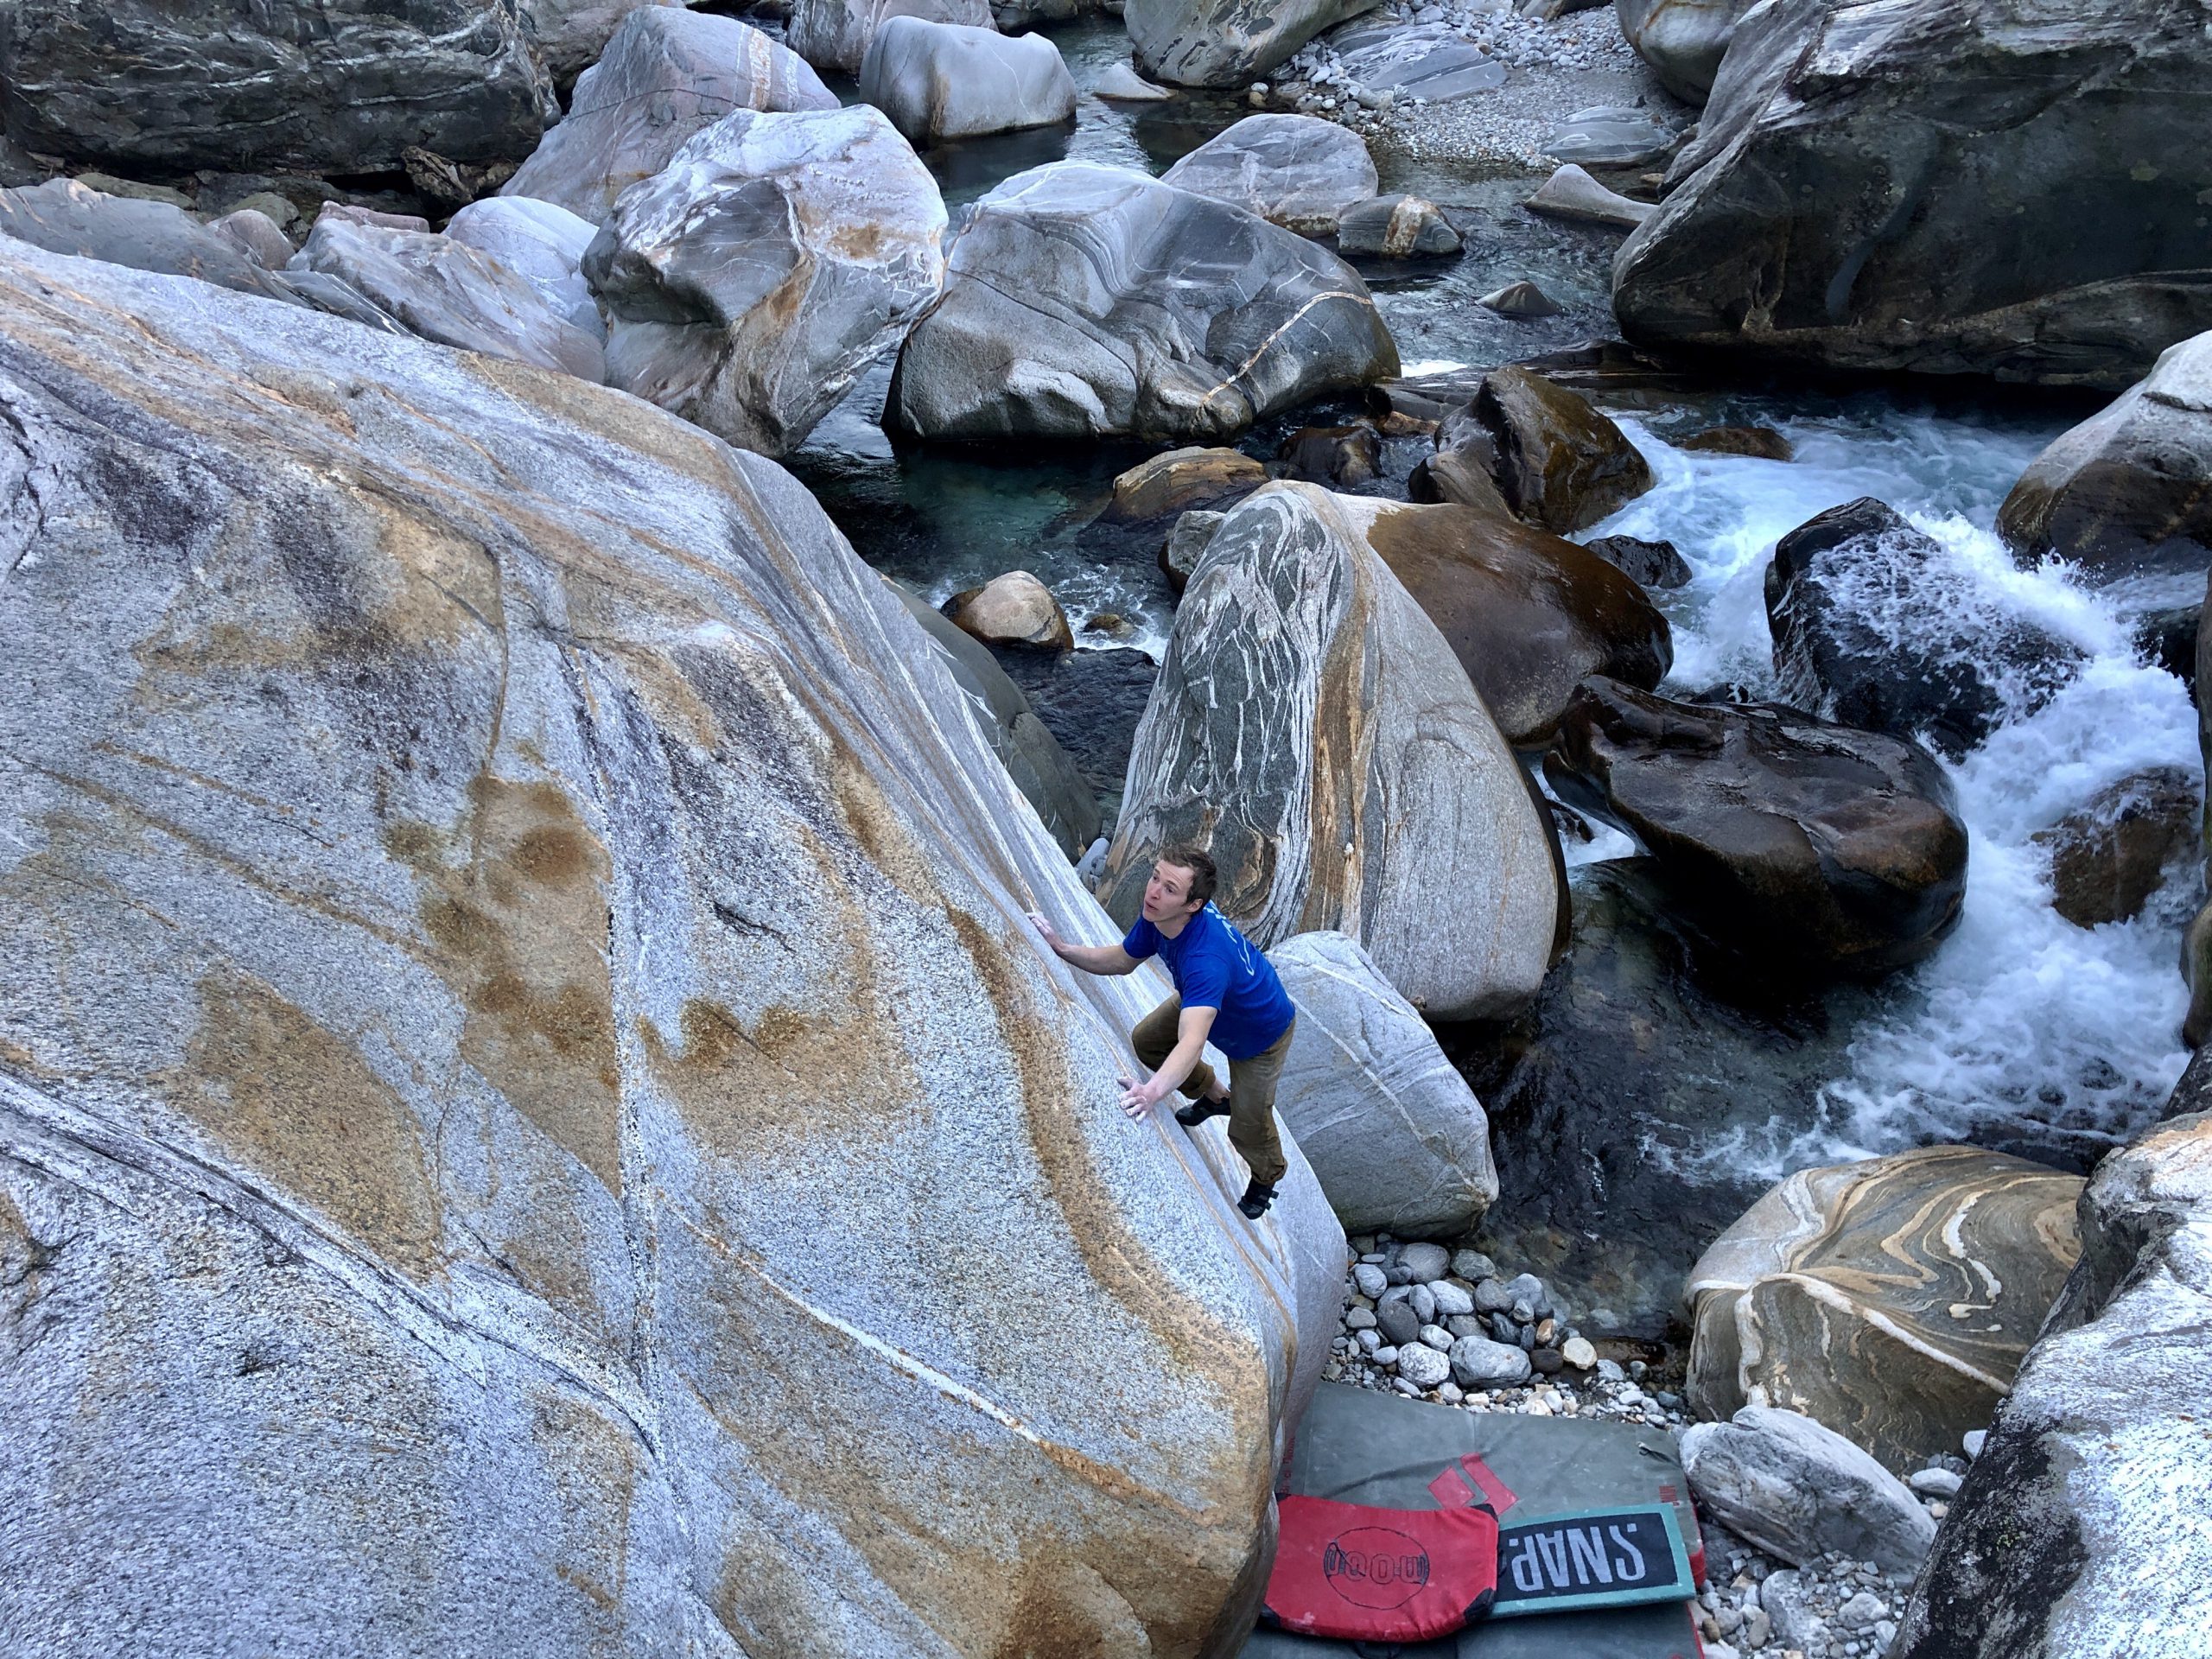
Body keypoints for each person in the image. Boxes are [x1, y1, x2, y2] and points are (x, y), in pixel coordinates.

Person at [1029, 847, 1297, 1218]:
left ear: (1193, 905)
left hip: (1260, 1034)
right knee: (1148, 1042)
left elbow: (1192, 1040)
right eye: (1155, 877)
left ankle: (1267, 1176)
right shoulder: (1160, 918)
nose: (1153, 891)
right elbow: (1123, 960)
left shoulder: (1205, 960)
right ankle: (1217, 1096)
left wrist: (1151, 1093)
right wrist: (1061, 948)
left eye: (1170, 888)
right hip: (1206, 1003)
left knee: (1248, 1123)